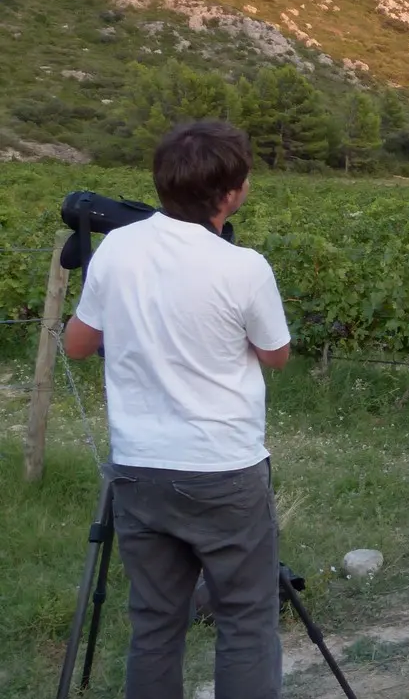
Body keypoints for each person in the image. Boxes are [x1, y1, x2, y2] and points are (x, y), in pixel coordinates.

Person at [61, 121, 291, 699]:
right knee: (244, 619)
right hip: (223, 468)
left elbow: (78, 344)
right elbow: (276, 355)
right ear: (232, 191)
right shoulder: (244, 267)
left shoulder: (116, 248)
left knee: (156, 623)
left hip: (138, 467)